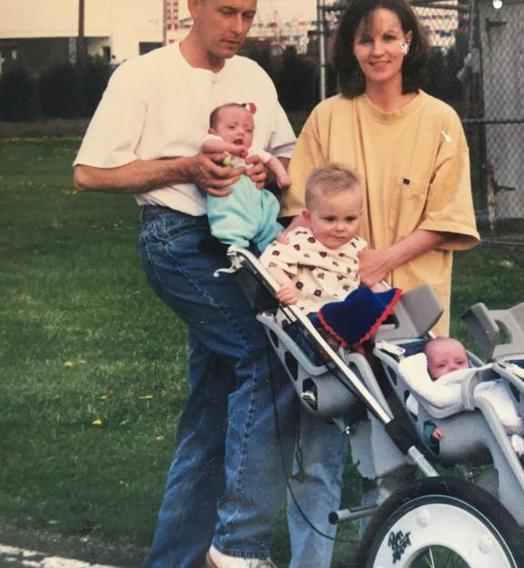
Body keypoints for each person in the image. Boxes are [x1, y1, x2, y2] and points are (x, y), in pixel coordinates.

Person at [72, 1, 298, 566]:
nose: (239, 28)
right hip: (176, 238)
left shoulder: (254, 78)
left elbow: (285, 157)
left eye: (249, 15)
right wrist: (186, 168)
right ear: (192, 5)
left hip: (240, 242)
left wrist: (260, 170)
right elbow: (90, 173)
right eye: (227, 12)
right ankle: (240, 546)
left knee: (214, 407)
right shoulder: (143, 75)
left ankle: (172, 560)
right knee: (264, 357)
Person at [279, 0, 480, 563]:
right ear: (351, 48)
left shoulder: (440, 120)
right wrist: (283, 268)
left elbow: (448, 218)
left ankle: (399, 553)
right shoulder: (328, 117)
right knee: (316, 447)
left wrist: (382, 259)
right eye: (366, 39)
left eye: (391, 37)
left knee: (400, 451)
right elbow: (301, 211)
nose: (379, 50)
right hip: (327, 313)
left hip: (408, 311)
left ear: (410, 43)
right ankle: (309, 560)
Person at [262, 163, 400, 349]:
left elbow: (365, 277)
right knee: (356, 304)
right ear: (309, 217)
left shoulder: (355, 246)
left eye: (350, 219)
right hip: (312, 316)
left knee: (369, 300)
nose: (341, 227)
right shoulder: (300, 241)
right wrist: (285, 284)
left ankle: (401, 326)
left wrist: (385, 298)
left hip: (346, 315)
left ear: (359, 215)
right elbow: (269, 261)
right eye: (330, 219)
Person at [397, 337, 524, 456]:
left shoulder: (475, 375)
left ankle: (520, 426)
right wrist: (431, 433)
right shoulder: (432, 389)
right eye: (441, 365)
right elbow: (424, 416)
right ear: (428, 370)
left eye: (460, 362)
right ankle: (518, 444)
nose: (453, 368)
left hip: (488, 403)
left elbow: (489, 386)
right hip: (464, 428)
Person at [203, 102, 291, 252]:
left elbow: (270, 159)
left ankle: (275, 243)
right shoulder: (217, 147)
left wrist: (282, 174)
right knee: (229, 217)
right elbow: (207, 145)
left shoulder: (252, 150)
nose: (241, 132)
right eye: (232, 127)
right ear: (213, 132)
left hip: (254, 198)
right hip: (230, 196)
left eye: (248, 130)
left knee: (268, 217)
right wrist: (232, 149)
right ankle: (231, 243)